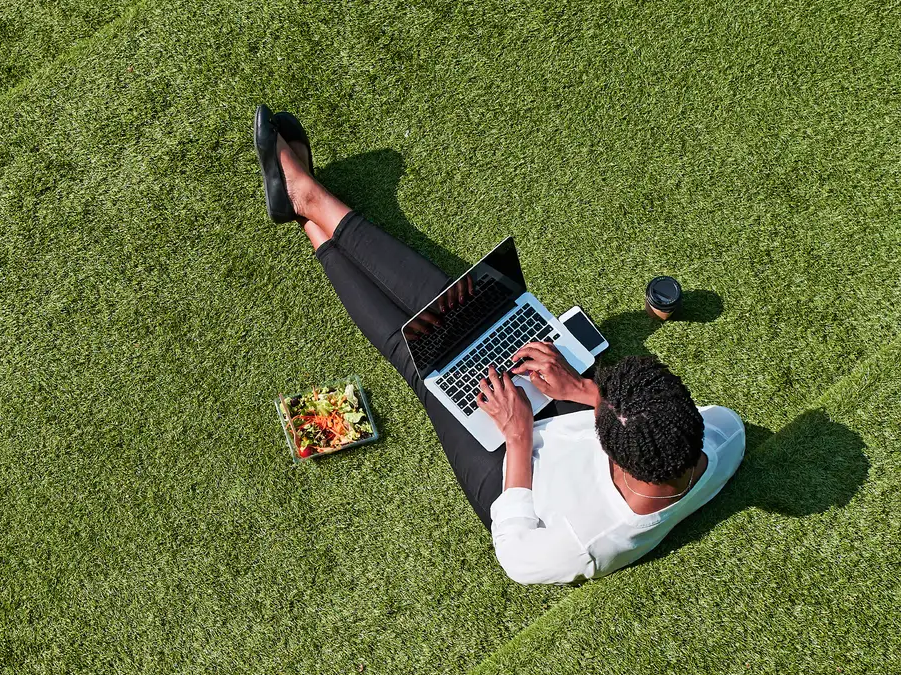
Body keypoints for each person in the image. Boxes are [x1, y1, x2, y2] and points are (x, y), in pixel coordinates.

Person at [253, 106, 747, 584]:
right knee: (472, 316)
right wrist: (581, 389)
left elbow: (513, 549)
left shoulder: (582, 544)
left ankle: (309, 214)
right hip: (577, 424)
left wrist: (518, 435)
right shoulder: (719, 438)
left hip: (519, 473)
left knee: (427, 368)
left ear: (612, 459)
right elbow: (681, 421)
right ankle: (310, 202)